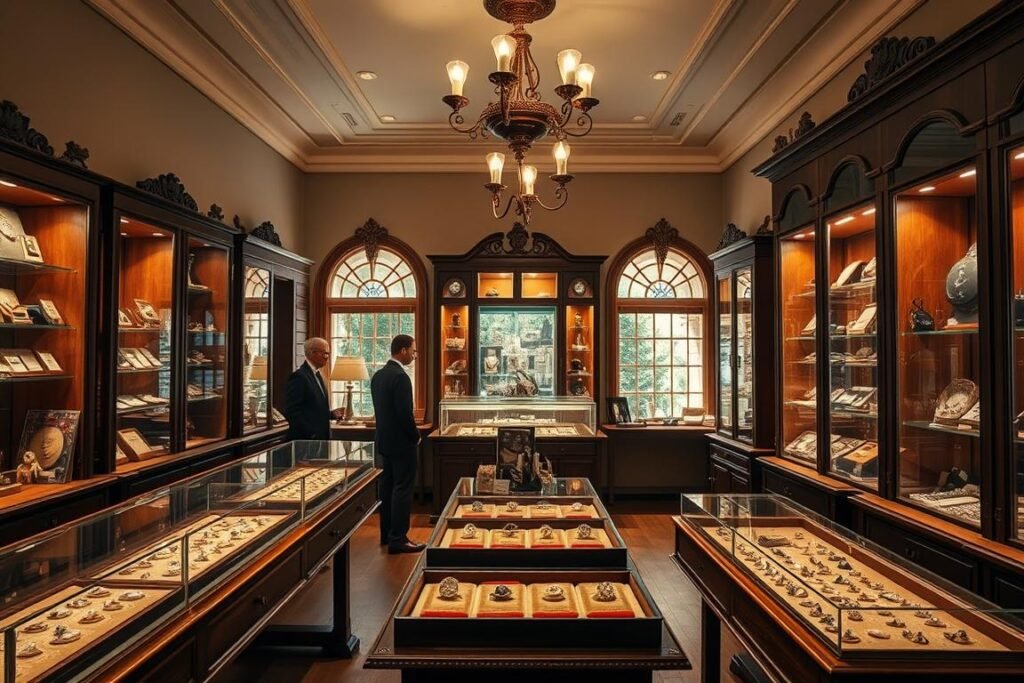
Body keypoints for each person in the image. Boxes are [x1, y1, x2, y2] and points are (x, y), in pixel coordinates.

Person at [371, 334, 423, 554]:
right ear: (402, 350)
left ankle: (387, 534)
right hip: (402, 444)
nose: (414, 355)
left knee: (387, 488)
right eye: (413, 350)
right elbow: (404, 414)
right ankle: (399, 539)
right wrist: (416, 436)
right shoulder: (400, 377)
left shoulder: (379, 375)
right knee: (403, 489)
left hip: (384, 441)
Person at [284, 337, 343, 441]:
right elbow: (292, 411)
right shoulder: (299, 377)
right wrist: (311, 434)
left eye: (328, 354)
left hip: (321, 439)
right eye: (325, 353)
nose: (327, 357)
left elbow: (312, 409)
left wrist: (331, 414)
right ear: (312, 352)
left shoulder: (317, 374)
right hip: (306, 441)